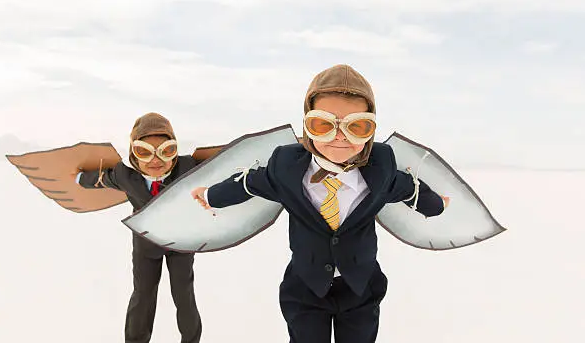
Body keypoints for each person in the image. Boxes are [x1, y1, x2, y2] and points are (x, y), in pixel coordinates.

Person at [191, 64, 449, 343]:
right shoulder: (285, 167)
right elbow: (249, 183)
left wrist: (437, 205)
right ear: (307, 125)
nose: (339, 137)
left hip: (361, 287)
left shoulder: (381, 166)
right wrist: (210, 195)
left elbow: (409, 189)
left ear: (370, 130)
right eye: (323, 124)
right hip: (305, 287)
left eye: (356, 127)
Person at [77, 112, 202, 343]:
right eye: (144, 151)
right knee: (143, 296)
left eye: (166, 150)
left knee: (184, 294)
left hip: (181, 241)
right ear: (133, 154)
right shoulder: (125, 174)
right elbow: (101, 179)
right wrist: (77, 179)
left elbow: (224, 166)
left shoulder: (188, 167)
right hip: (146, 244)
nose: (156, 160)